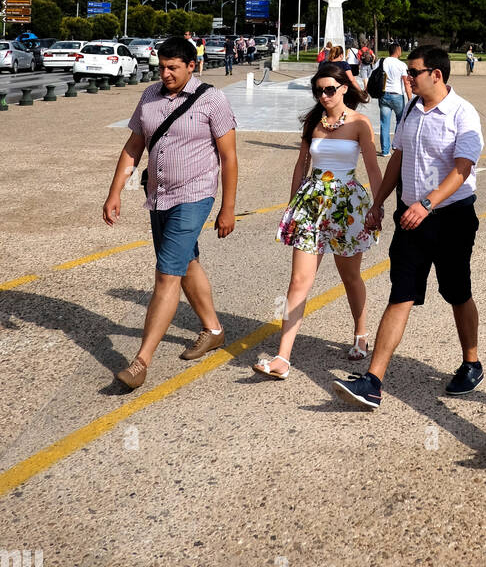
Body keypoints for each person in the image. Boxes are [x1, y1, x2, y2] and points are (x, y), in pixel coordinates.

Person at [331, 45, 484, 409]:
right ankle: (373, 380)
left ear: (437, 74)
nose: (407, 78)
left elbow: (463, 168)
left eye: (413, 72)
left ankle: (472, 362)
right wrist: (379, 201)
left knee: (456, 291)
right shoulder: (413, 109)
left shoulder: (463, 114)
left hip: (451, 218)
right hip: (410, 217)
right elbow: (397, 157)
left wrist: (428, 203)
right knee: (401, 293)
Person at [102, 36, 238, 390]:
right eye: (161, 66)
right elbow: (133, 147)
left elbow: (229, 158)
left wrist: (228, 208)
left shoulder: (212, 99)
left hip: (195, 196)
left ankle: (140, 361)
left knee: (166, 274)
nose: (165, 74)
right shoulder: (149, 96)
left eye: (173, 68)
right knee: (184, 263)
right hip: (158, 196)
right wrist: (115, 192)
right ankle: (213, 330)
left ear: (192, 66)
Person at [254, 64, 382, 376]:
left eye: (329, 89)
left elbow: (374, 169)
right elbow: (301, 165)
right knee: (298, 281)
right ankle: (283, 358)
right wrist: (291, 204)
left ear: (344, 89)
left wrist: (377, 207)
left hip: (346, 207)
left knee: (349, 276)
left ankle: (361, 333)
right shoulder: (313, 121)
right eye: (318, 90)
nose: (323, 96)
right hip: (312, 205)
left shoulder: (360, 123)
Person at [379, 43, 411, 156]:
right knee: (400, 121)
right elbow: (406, 83)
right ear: (397, 50)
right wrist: (410, 98)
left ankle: (385, 150)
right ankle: (396, 146)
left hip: (384, 94)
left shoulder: (382, 61)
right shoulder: (401, 65)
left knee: (384, 123)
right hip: (397, 94)